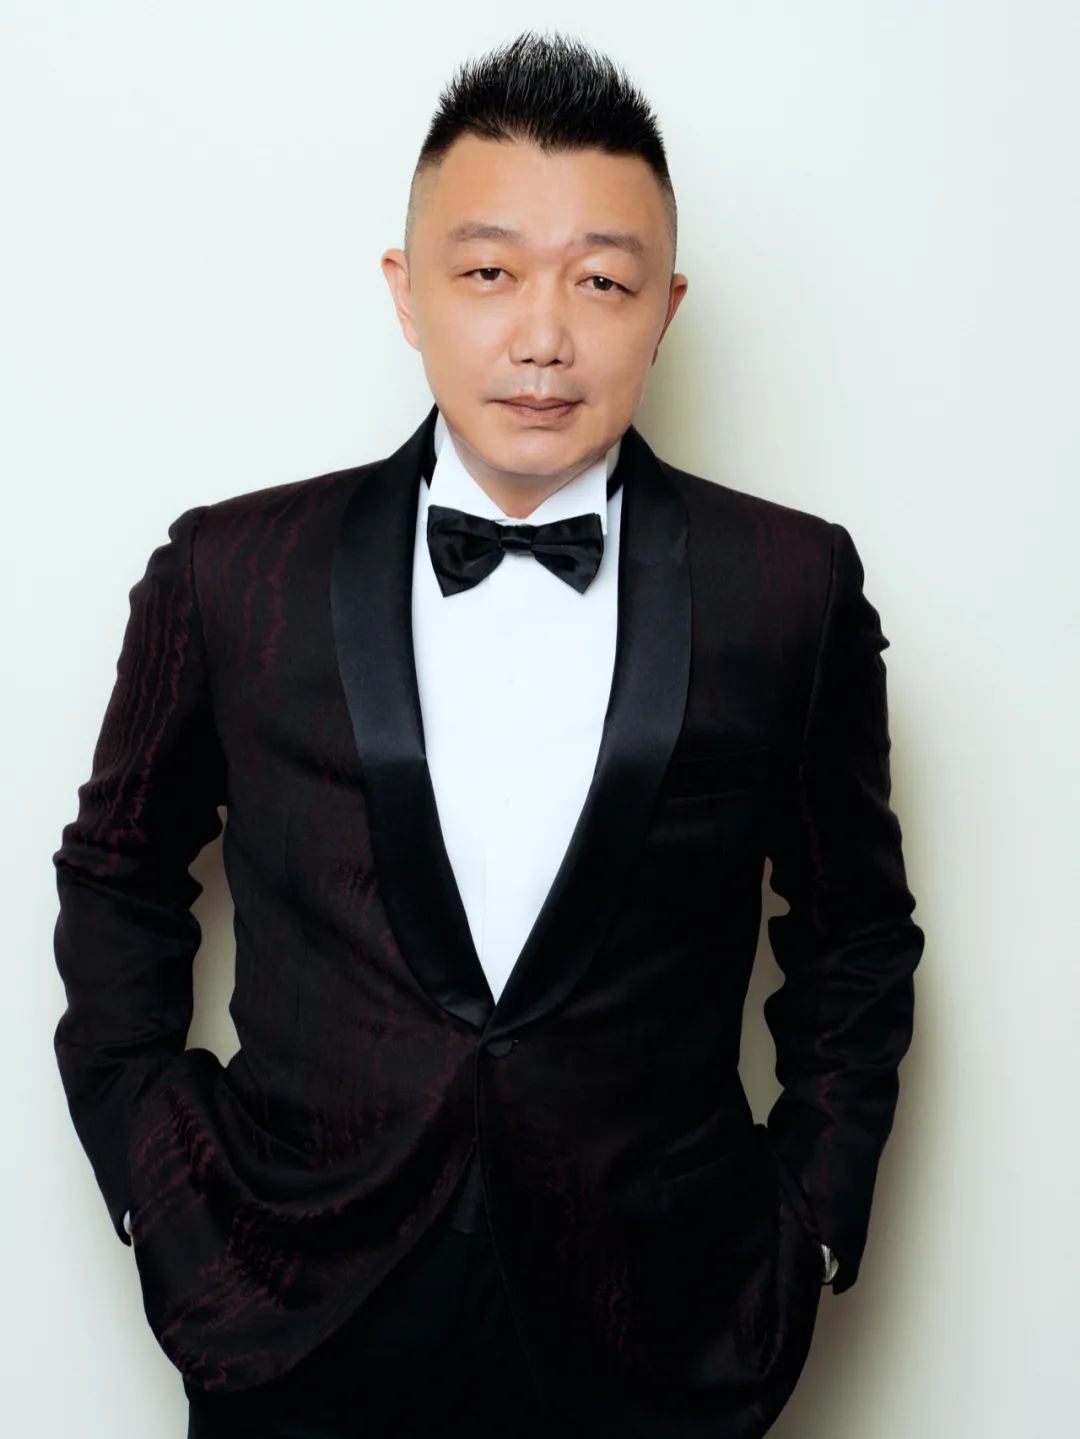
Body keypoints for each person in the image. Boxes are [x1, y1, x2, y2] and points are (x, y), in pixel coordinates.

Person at [51, 29, 925, 1439]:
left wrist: (810, 1226)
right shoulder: (231, 571)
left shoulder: (789, 587)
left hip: (665, 1320)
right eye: (489, 273)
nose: (542, 338)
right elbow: (117, 877)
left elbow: (856, 935)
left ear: (666, 307)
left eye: (601, 281)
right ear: (407, 293)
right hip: (289, 1301)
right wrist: (157, 1189)